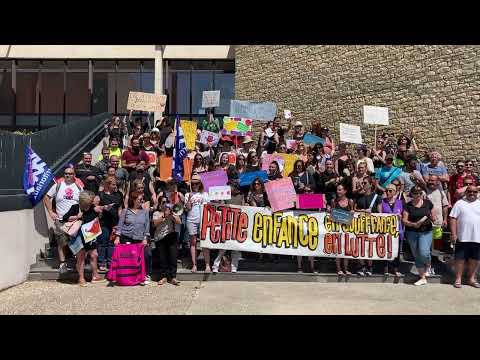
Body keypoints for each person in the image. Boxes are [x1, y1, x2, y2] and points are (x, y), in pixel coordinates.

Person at [43, 167, 84, 274]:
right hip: (60, 220)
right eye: (66, 173)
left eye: (70, 174)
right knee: (61, 242)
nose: (67, 175)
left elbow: (84, 202)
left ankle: (77, 263)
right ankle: (63, 263)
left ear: (74, 175)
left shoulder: (78, 187)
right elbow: (46, 197)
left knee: (76, 242)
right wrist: (51, 212)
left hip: (74, 221)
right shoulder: (58, 185)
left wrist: (80, 214)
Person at [63, 190, 106, 286]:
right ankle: (81, 278)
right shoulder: (76, 207)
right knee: (81, 257)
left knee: (94, 254)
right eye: (90, 201)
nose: (92, 202)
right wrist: (76, 217)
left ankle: (95, 276)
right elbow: (64, 218)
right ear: (84, 201)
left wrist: (100, 214)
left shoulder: (92, 208)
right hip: (78, 236)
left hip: (90, 235)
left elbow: (97, 218)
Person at [115, 191, 151, 285]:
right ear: (134, 200)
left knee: (147, 255)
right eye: (140, 199)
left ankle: (145, 274)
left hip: (140, 238)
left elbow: (147, 226)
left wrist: (145, 238)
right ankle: (129, 277)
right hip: (126, 237)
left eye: (142, 199)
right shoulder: (125, 211)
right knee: (128, 258)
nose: (142, 201)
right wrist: (117, 237)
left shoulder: (145, 212)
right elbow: (120, 225)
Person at [402, 186, 436, 286]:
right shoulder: (408, 205)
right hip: (411, 232)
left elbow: (433, 217)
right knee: (416, 254)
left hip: (426, 231)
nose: (417, 195)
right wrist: (413, 224)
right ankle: (422, 277)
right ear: (411, 194)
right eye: (415, 193)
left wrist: (433, 218)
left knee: (424, 252)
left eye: (419, 193)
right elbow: (404, 220)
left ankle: (428, 265)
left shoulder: (428, 203)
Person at [449, 185, 480, 288]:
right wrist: (453, 234)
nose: (472, 193)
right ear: (466, 192)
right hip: (462, 236)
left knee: (475, 259)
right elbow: (453, 218)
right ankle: (458, 279)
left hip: (477, 237)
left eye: (474, 192)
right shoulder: (459, 203)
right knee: (460, 259)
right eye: (469, 191)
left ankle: (471, 278)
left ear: (477, 193)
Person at [95, 176, 124, 272]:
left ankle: (110, 261)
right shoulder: (100, 194)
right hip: (104, 221)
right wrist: (103, 207)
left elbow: (120, 208)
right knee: (103, 242)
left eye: (116, 184)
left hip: (114, 222)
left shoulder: (119, 194)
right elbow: (95, 207)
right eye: (113, 184)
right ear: (107, 185)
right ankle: (101, 262)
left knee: (111, 243)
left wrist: (119, 222)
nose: (115, 186)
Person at [354, 177, 381, 276]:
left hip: (371, 225)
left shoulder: (377, 197)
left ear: (370, 184)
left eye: (365, 183)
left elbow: (380, 212)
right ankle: (362, 266)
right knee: (359, 245)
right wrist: (364, 211)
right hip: (359, 225)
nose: (362, 184)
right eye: (362, 182)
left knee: (370, 246)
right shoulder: (359, 197)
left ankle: (369, 266)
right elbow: (354, 210)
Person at [184, 175, 210, 273]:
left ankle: (207, 265)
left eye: (197, 183)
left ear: (200, 183)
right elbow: (187, 209)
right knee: (193, 242)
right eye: (193, 183)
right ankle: (194, 265)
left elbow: (209, 207)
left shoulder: (205, 194)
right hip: (191, 220)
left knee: (204, 243)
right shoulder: (187, 194)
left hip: (203, 220)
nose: (195, 185)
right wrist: (190, 198)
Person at [152, 203, 182, 286]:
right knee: (162, 258)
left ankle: (173, 277)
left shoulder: (173, 213)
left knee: (173, 257)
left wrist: (172, 215)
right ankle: (163, 276)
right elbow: (155, 224)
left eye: (168, 205)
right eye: (164, 204)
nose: (166, 207)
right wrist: (163, 216)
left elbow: (179, 222)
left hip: (171, 236)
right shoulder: (156, 213)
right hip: (160, 237)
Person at [378, 183, 404, 277]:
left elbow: (403, 215)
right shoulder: (382, 202)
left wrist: (400, 217)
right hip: (385, 230)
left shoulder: (400, 202)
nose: (387, 192)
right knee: (385, 249)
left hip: (397, 230)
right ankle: (386, 269)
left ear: (394, 192)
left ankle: (396, 269)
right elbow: (379, 215)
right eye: (386, 190)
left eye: (390, 191)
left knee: (396, 251)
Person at [330, 184, 354, 275]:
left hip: (347, 229)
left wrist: (352, 212)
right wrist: (329, 209)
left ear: (345, 191)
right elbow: (331, 213)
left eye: (340, 190)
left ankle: (346, 269)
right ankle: (339, 268)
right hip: (337, 229)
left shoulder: (350, 201)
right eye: (337, 190)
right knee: (338, 249)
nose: (338, 191)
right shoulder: (334, 201)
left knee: (346, 249)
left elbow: (353, 213)